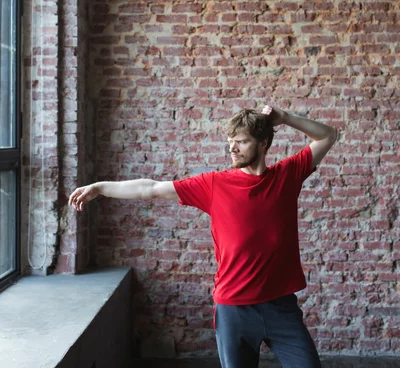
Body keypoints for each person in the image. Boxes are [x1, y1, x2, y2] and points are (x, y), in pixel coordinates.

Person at [69, 104, 337, 368]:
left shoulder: (286, 176)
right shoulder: (213, 185)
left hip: (281, 307)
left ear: (264, 143)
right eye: (230, 141)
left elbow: (328, 135)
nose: (232, 148)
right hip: (234, 309)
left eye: (241, 142)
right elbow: (150, 188)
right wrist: (100, 188)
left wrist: (286, 118)